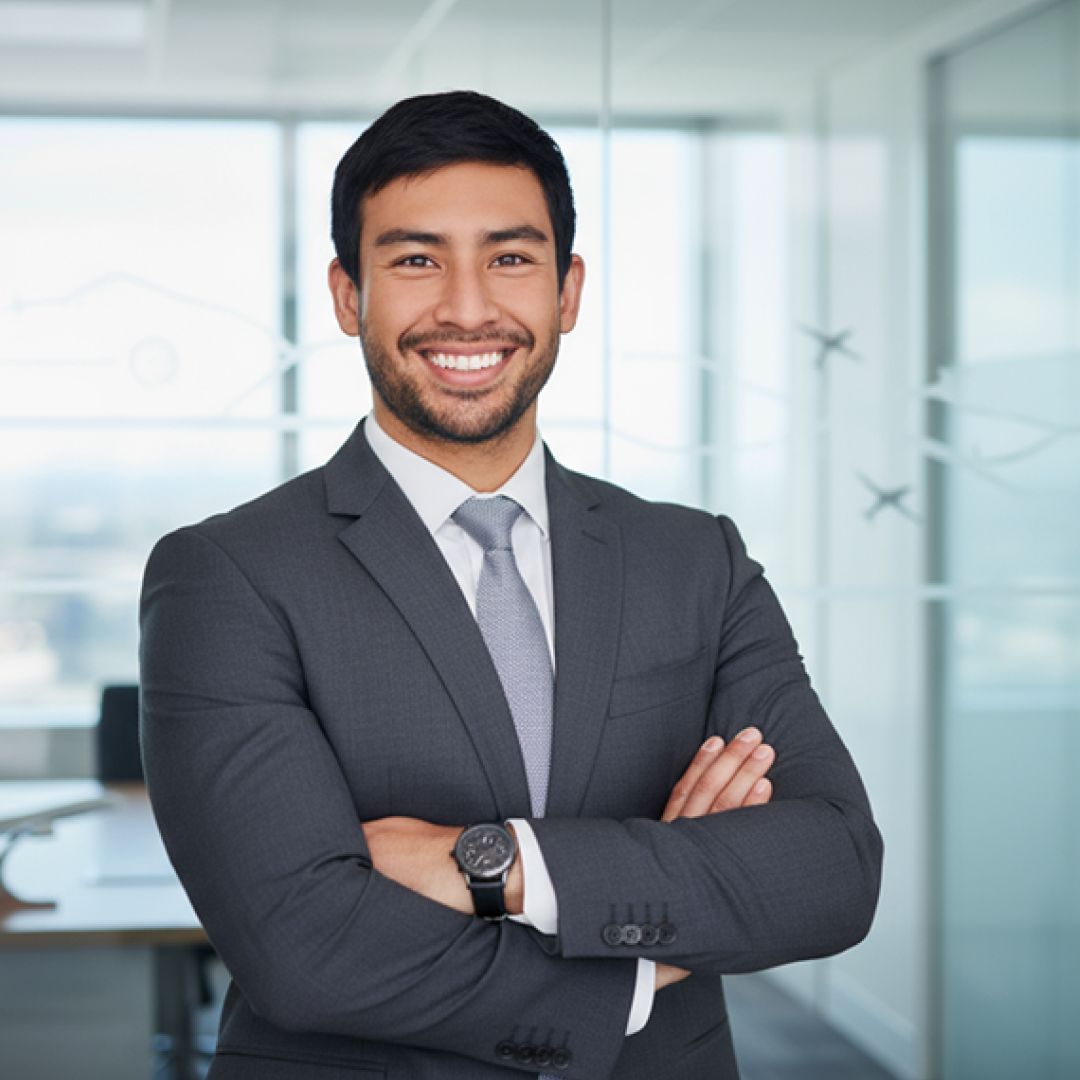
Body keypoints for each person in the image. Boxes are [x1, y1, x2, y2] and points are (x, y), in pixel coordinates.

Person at [140, 90, 882, 1080]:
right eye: (415, 259)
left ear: (568, 291)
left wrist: (491, 864)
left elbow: (832, 868)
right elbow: (305, 949)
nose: (467, 305)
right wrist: (648, 942)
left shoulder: (695, 560)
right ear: (347, 293)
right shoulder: (226, 577)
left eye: (510, 257)